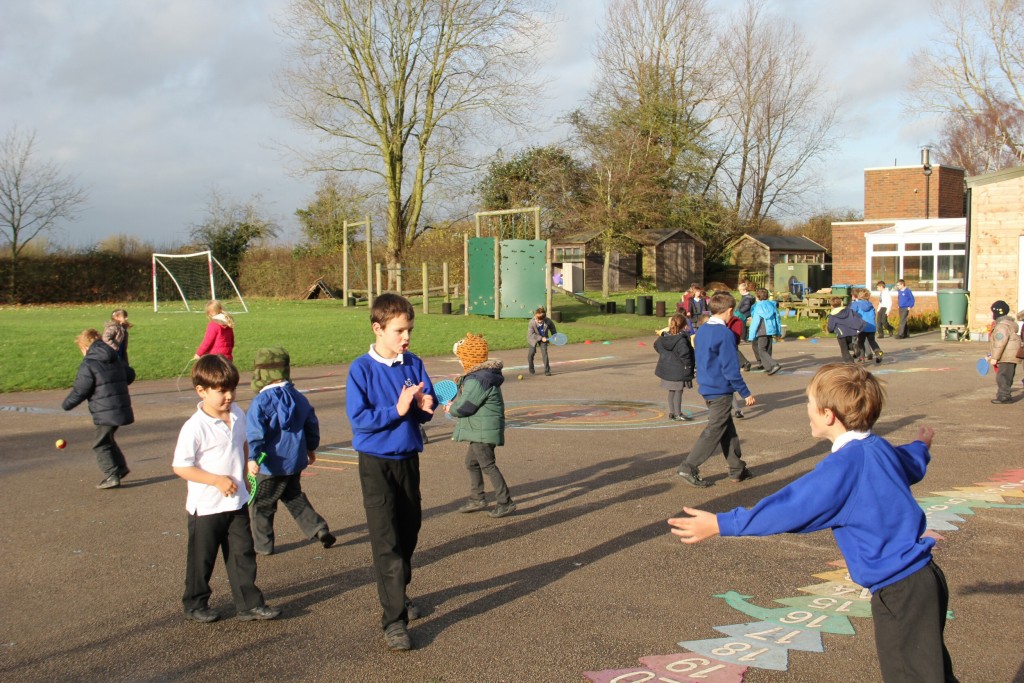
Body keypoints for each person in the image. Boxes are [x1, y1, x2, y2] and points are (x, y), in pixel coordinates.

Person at [668, 363, 958, 683]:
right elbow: (909, 462)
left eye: (809, 403)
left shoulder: (842, 467)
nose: (806, 409)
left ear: (828, 415)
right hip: (923, 580)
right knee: (930, 673)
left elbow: (791, 506)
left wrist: (723, 523)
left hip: (901, 591)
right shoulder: (877, 447)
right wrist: (921, 447)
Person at [345, 293, 436, 651]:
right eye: (399, 331)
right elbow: (360, 420)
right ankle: (394, 620)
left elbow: (423, 410)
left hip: (408, 459)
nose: (406, 337)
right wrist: (397, 410)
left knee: (409, 532)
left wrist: (425, 406)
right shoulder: (361, 369)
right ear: (378, 328)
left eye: (409, 329)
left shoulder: (413, 363)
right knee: (387, 542)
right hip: (375, 463)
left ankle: (398, 591)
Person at [171, 354, 281, 623]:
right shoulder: (194, 427)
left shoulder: (237, 414)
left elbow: (242, 443)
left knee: (243, 554)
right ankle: (195, 603)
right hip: (206, 507)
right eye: (221, 391)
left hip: (236, 502)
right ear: (201, 391)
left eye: (232, 389)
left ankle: (249, 604)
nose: (229, 396)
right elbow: (181, 467)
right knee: (202, 559)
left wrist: (247, 465)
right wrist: (216, 480)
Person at [246, 347, 336, 555]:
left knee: (262, 505)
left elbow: (255, 432)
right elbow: (311, 425)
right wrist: (311, 448)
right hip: (294, 462)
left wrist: (253, 457)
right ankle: (319, 528)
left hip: (269, 465)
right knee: (293, 496)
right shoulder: (298, 398)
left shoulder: (260, 402)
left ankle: (263, 546)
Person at [677, 293, 756, 488]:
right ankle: (688, 466)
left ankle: (737, 468)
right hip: (720, 388)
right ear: (729, 311)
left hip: (707, 385)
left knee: (726, 428)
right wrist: (745, 392)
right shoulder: (725, 334)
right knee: (715, 429)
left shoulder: (702, 330)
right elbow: (731, 369)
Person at [447, 333, 516, 518]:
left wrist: (451, 408)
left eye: (461, 357)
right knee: (471, 462)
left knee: (488, 465)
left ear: (469, 359)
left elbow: (466, 406)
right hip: (481, 429)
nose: (459, 361)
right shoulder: (481, 376)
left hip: (483, 431)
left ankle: (505, 502)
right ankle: (477, 498)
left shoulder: (478, 380)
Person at [62, 329, 136, 489]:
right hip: (120, 406)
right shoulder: (114, 357)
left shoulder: (89, 363)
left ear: (85, 347)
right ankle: (120, 468)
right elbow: (130, 375)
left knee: (100, 444)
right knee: (107, 439)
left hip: (105, 410)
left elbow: (80, 390)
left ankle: (111, 475)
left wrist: (67, 404)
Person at [654, 314, 695, 422]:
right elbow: (685, 355)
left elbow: (656, 345)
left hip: (667, 368)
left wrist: (665, 355)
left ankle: (672, 412)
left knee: (672, 391)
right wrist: (689, 366)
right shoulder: (681, 340)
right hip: (678, 369)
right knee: (678, 391)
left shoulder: (664, 337)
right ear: (684, 325)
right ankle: (677, 414)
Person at [987, 300, 1020, 405]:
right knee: (1007, 376)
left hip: (1007, 355)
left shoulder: (1001, 326)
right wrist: (991, 355)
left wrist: (995, 358)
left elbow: (1000, 342)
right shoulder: (1009, 324)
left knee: (1002, 376)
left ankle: (1004, 396)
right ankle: (1005, 395)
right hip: (1010, 355)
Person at [748, 288, 782, 375]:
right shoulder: (772, 305)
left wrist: (751, 335)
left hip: (761, 331)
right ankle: (768, 367)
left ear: (757, 296)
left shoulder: (758, 307)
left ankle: (774, 365)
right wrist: (778, 332)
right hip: (771, 330)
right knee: (768, 349)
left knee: (761, 350)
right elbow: (778, 319)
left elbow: (755, 322)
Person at [826, 297, 865, 363]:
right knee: (849, 344)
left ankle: (849, 362)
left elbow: (830, 327)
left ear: (831, 305)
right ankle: (854, 347)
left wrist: (830, 330)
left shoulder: (832, 315)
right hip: (851, 331)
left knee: (844, 349)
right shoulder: (848, 310)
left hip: (841, 333)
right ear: (840, 303)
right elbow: (857, 316)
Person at [850, 288, 883, 364]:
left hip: (862, 326)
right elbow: (874, 315)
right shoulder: (870, 304)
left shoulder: (855, 304)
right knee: (872, 341)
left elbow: (851, 313)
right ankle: (879, 353)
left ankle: (862, 357)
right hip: (871, 327)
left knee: (860, 342)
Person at [527, 306, 557, 376]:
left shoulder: (548, 321)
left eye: (541, 320)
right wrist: (541, 338)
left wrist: (554, 335)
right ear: (535, 316)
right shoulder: (532, 322)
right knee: (531, 353)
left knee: (545, 354)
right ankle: (531, 368)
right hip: (533, 338)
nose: (539, 321)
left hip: (544, 338)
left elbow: (552, 328)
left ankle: (547, 370)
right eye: (538, 319)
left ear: (544, 318)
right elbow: (531, 334)